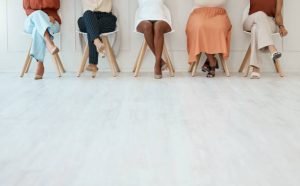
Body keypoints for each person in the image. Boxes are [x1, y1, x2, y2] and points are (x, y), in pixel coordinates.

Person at [186, 0, 232, 78]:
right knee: (200, 27)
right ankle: (212, 61)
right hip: (198, 14)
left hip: (219, 14)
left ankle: (210, 61)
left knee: (219, 28)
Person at [244, 0, 288, 79]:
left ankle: (255, 68)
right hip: (252, 19)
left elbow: (277, 15)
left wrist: (281, 26)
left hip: (269, 22)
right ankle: (271, 48)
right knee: (260, 15)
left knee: (255, 29)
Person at [23, 0, 61, 80]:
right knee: (38, 14)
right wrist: (41, 15)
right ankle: (49, 42)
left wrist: (46, 17)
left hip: (51, 21)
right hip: (31, 21)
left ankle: (39, 65)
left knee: (37, 29)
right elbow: (27, 8)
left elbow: (56, 5)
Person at [135, 0, 172, 79]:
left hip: (161, 18)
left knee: (158, 26)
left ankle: (157, 64)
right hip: (142, 19)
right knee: (146, 26)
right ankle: (160, 61)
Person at [78, 0, 117, 73]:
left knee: (91, 27)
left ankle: (93, 63)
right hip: (87, 17)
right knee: (88, 15)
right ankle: (97, 42)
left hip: (106, 17)